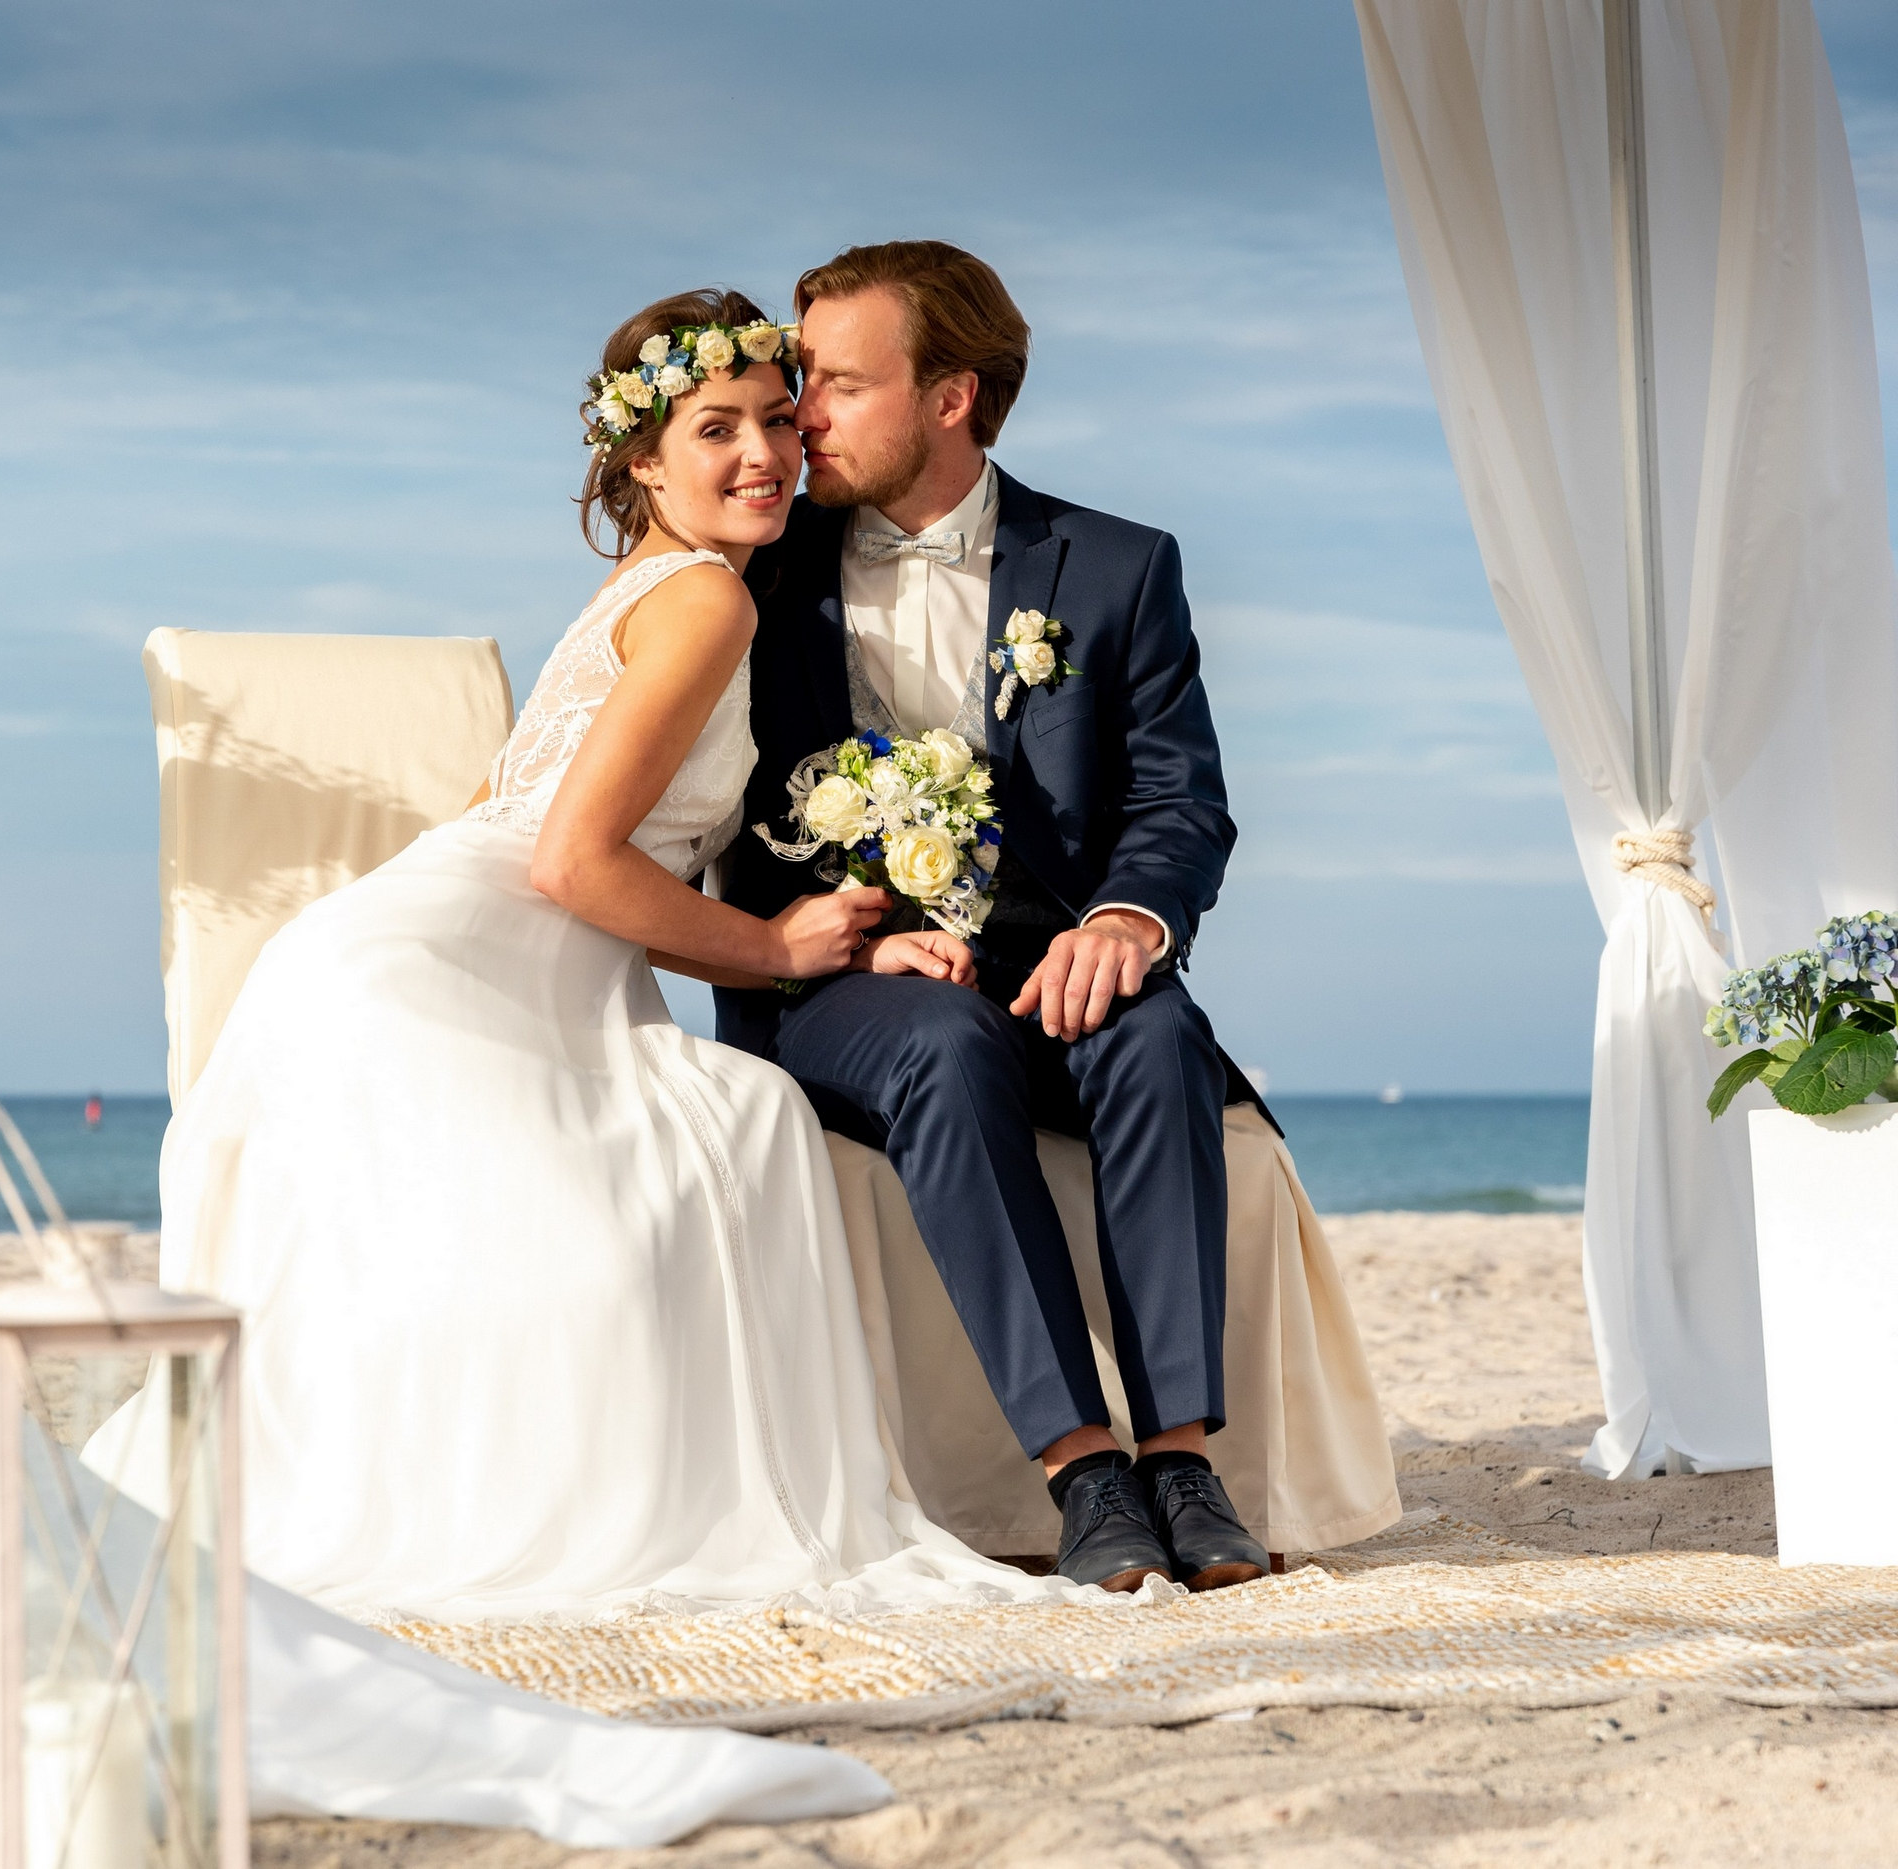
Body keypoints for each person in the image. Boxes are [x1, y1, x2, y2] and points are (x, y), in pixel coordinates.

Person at [148, 288, 1113, 1620]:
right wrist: (774, 945)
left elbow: (543, 835)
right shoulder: (707, 600)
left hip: (435, 957)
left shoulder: (647, 589)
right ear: (642, 461)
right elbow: (570, 863)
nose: (764, 455)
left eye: (780, 419)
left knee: (736, 1120)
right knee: (736, 1131)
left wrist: (834, 941)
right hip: (456, 975)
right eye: (717, 429)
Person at [716, 241, 1271, 1592]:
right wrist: (842, 931)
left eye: (838, 384)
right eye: (801, 381)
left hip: (1045, 956)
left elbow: (1180, 797)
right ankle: (1085, 1472)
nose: (801, 417)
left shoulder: (1119, 567)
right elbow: (717, 823)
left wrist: (1127, 921)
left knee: (1157, 1032)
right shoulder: (755, 574)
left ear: (952, 397)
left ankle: (1181, 1459)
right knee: (945, 1045)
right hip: (837, 980)